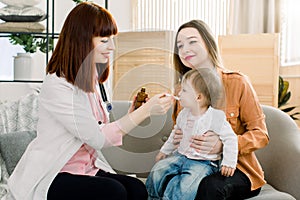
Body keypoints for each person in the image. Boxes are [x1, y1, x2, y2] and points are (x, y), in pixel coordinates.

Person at [4, 2, 173, 200]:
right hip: (54, 173)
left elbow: (100, 127)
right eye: (104, 40)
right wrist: (144, 112)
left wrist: (132, 113)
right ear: (82, 39)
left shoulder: (93, 80)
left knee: (136, 189)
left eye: (112, 39)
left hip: (85, 169)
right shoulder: (58, 84)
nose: (112, 46)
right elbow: (97, 137)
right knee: (114, 192)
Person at [171, 20, 269, 199]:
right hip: (193, 165)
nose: (185, 49)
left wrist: (224, 145)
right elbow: (179, 131)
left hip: (235, 169)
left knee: (209, 187)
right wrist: (179, 137)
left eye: (192, 41)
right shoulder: (181, 92)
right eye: (180, 45)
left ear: (208, 43)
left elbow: (261, 134)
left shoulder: (237, 83)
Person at [146, 68, 238, 200]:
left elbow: (230, 139)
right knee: (158, 170)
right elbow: (175, 133)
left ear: (198, 97)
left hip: (203, 163)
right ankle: (152, 196)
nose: (179, 93)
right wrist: (164, 151)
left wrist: (229, 162)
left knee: (186, 187)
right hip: (180, 156)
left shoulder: (216, 117)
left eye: (184, 90)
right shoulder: (184, 114)